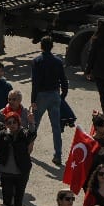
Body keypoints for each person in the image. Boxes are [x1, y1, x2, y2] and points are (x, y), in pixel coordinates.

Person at [31, 36, 70, 164]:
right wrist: (63, 95)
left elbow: (35, 83)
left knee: (34, 124)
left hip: (41, 95)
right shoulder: (58, 61)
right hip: (54, 94)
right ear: (52, 46)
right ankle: (58, 155)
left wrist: (33, 100)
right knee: (56, 127)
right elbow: (64, 80)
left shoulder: (37, 61)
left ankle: (27, 149)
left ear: (41, 46)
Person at [0, 111, 37, 206]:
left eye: (14, 122)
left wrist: (31, 123)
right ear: (6, 124)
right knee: (6, 200)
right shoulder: (2, 134)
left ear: (18, 123)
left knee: (18, 199)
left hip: (21, 173)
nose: (12, 125)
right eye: (9, 122)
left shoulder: (24, 133)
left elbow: (32, 135)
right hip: (6, 173)